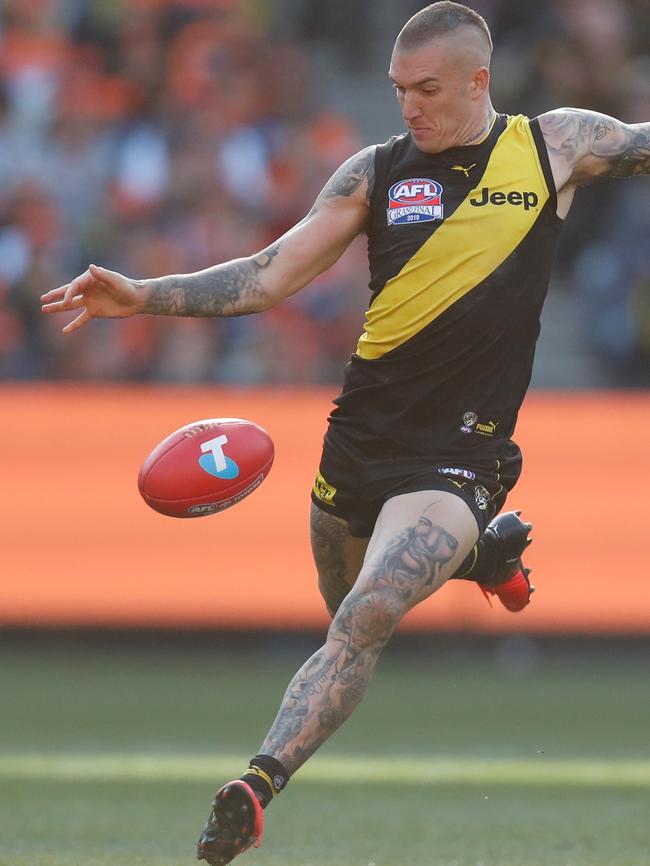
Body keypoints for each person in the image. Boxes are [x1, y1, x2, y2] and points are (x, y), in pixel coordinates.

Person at [41, 3, 649, 864]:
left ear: (479, 80)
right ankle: (486, 555)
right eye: (398, 90)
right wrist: (142, 294)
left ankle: (255, 787)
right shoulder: (374, 172)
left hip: (459, 455)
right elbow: (266, 275)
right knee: (345, 608)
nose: (410, 107)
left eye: (428, 90)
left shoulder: (555, 144)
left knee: (367, 613)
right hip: (358, 444)